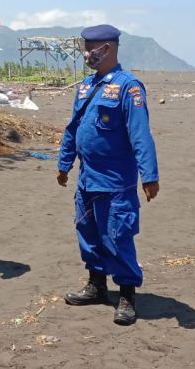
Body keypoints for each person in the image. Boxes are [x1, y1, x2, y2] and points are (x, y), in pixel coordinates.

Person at [56, 24, 160, 326]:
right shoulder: (87, 86)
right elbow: (74, 127)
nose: (86, 53)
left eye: (92, 48)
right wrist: (64, 163)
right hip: (88, 178)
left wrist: (149, 176)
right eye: (84, 47)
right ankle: (96, 285)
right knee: (87, 232)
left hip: (116, 181)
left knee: (117, 235)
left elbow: (140, 134)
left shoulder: (129, 87)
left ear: (109, 48)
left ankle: (127, 294)